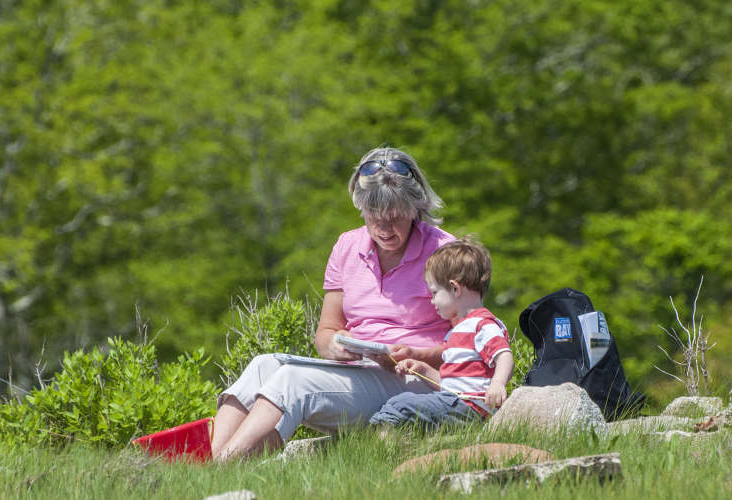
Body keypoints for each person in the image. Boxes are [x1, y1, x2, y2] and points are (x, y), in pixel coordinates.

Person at [211, 147, 456, 460]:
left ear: (414, 207)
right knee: (264, 365)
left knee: (292, 379)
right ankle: (215, 462)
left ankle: (221, 467)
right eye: (374, 217)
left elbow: (469, 341)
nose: (384, 228)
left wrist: (415, 354)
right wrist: (339, 347)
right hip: (360, 370)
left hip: (414, 378)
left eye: (394, 218)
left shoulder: (444, 251)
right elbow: (326, 331)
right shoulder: (347, 246)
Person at [369, 238, 514, 429]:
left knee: (401, 404)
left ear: (455, 288)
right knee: (406, 404)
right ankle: (386, 437)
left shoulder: (482, 324)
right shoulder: (457, 332)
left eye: (435, 292)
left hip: (471, 406)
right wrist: (423, 369)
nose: (432, 301)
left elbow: (504, 356)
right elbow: (451, 384)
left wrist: (498, 383)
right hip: (458, 402)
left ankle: (378, 439)